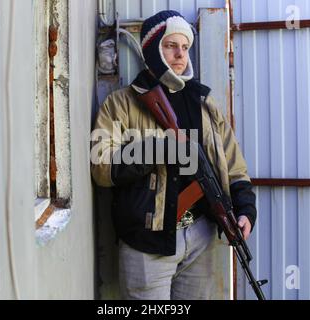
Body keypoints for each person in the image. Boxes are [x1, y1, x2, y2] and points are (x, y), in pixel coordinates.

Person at [91, 10, 256, 300]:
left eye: (185, 47)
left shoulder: (204, 102)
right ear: (152, 50)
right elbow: (101, 165)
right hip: (147, 243)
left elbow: (233, 166)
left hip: (201, 238)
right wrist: (158, 150)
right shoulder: (121, 103)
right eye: (170, 46)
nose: (180, 54)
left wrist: (245, 210)